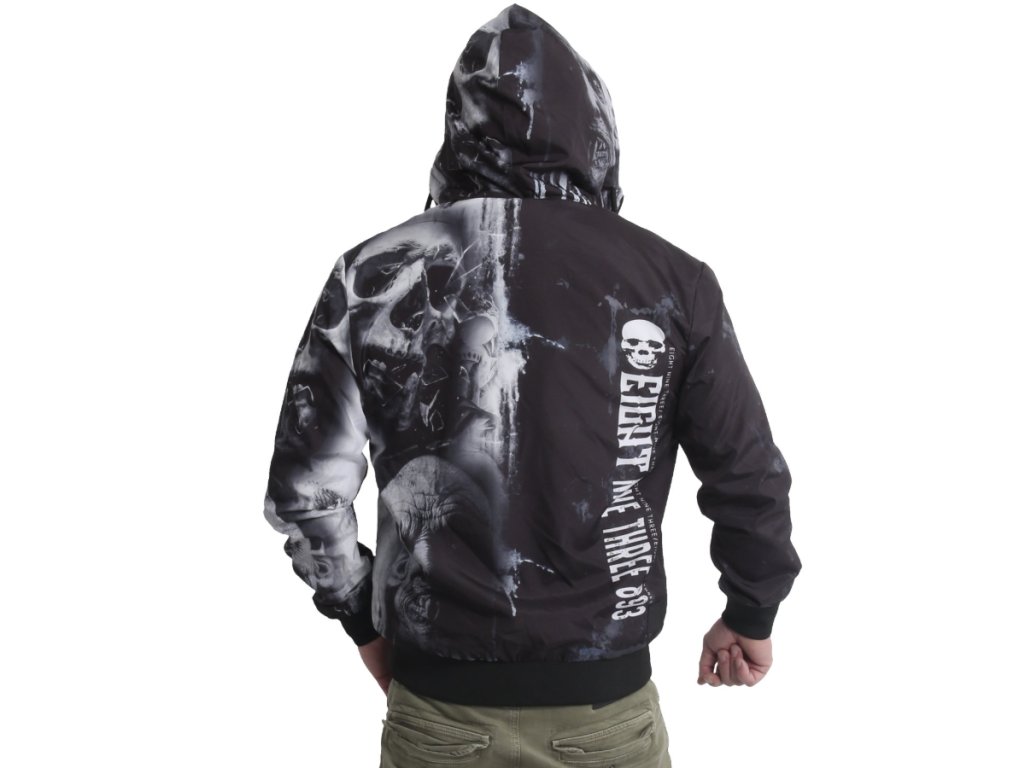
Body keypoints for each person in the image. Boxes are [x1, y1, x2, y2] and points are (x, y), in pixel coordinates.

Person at [262, 4, 801, 766]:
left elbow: (306, 495)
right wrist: (751, 611)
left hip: (438, 714)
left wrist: (363, 623)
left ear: (459, 127)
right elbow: (746, 470)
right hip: (606, 715)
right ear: (594, 127)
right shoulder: (671, 282)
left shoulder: (371, 276)